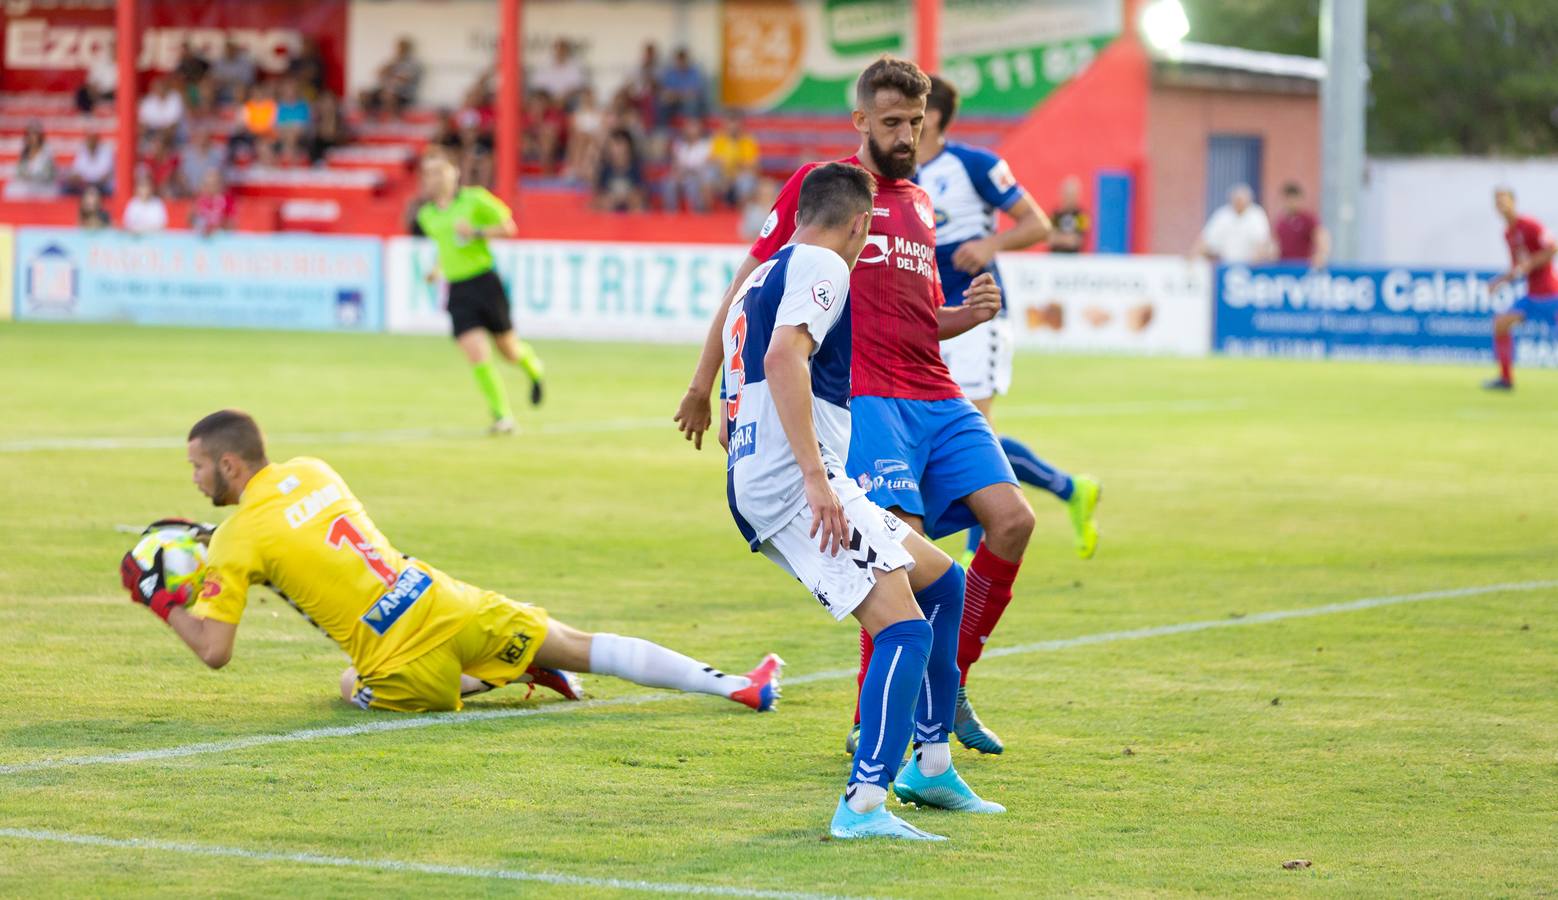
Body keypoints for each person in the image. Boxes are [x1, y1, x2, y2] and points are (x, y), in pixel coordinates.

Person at [676, 57, 1037, 761]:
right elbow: (753, 284)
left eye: (916, 122)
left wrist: (967, 314)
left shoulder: (923, 203)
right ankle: (873, 720)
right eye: (894, 121)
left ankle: (949, 686)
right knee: (896, 552)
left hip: (934, 387)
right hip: (867, 394)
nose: (907, 134)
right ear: (862, 120)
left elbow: (917, 315)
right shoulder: (829, 193)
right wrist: (709, 382)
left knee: (1013, 521)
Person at [120, 410, 782, 717]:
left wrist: (161, 599)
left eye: (199, 466)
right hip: (446, 600)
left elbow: (215, 652)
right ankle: (735, 686)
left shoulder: (240, 539)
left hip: (400, 665)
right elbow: (301, 538)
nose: (196, 476)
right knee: (586, 643)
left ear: (229, 465)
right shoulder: (313, 470)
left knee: (350, 685)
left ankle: (501, 677)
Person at [721, 162, 1002, 840]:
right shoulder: (825, 266)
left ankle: (931, 766)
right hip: (796, 485)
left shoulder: (764, 273)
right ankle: (865, 803)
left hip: (774, 473)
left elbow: (749, 382)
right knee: (903, 627)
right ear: (859, 224)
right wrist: (817, 481)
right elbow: (784, 358)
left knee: (944, 584)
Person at [914, 74, 1102, 750]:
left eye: (911, 113)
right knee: (929, 476)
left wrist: (990, 247)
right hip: (923, 328)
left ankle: (954, 656)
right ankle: (1067, 490)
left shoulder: (972, 166)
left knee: (974, 452)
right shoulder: (894, 176)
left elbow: (1040, 222)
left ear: (931, 115)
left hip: (979, 325)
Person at [414, 154, 545, 432]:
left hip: (485, 283)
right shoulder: (427, 216)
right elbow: (445, 246)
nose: (434, 179)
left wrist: (476, 232)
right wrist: (437, 270)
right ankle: (503, 417)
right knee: (476, 353)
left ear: (455, 173)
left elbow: (509, 228)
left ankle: (533, 366)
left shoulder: (475, 200)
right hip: (458, 291)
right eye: (429, 174)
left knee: (508, 351)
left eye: (439, 172)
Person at [1485, 186, 1557, 391]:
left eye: (1504, 200)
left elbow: (1553, 248)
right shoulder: (1508, 233)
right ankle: (1506, 379)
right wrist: (1498, 282)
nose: (1501, 205)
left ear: (1513, 202)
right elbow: (1517, 268)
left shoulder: (1530, 225)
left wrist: (1531, 263)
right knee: (1500, 324)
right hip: (1532, 297)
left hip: (1552, 294)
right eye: (1497, 202)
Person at [1192, 183, 1272, 264]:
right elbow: (1206, 239)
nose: (1239, 203)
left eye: (1241, 201)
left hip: (1251, 265)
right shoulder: (1222, 215)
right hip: (1226, 265)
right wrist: (1193, 258)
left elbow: (1263, 241)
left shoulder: (1256, 215)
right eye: (1237, 200)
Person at [360, 37, 423, 116]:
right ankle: (369, 118)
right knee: (364, 94)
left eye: (402, 48)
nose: (400, 50)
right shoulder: (394, 61)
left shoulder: (413, 63)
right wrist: (393, 63)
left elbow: (404, 79)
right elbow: (379, 73)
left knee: (388, 95)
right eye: (399, 48)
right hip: (386, 90)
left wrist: (390, 75)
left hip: (403, 94)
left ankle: (393, 120)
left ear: (407, 49)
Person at [1273, 181, 1330, 268]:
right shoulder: (1280, 221)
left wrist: (1321, 254)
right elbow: (1274, 242)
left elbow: (1321, 236)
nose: (1291, 203)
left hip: (1303, 267)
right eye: (1288, 199)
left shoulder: (1308, 218)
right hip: (1284, 267)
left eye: (1294, 199)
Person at [709, 113, 761, 207]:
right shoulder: (719, 139)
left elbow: (753, 164)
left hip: (740, 176)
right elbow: (713, 160)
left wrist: (735, 165)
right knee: (709, 173)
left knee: (746, 179)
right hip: (722, 177)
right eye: (730, 124)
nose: (732, 127)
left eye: (735, 124)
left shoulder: (748, 140)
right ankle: (706, 213)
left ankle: (742, 215)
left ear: (740, 125)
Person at [662, 118, 713, 212]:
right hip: (682, 175)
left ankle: (696, 213)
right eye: (688, 127)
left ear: (700, 129)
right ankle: (670, 213)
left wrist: (688, 171)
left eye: (693, 127)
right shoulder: (679, 146)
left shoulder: (706, 145)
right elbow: (676, 165)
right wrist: (677, 174)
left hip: (699, 177)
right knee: (669, 183)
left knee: (691, 183)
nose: (690, 130)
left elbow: (706, 166)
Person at [593, 129, 647, 212]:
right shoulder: (605, 170)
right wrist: (611, 199)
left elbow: (641, 193)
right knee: (603, 203)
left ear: (628, 146)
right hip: (609, 212)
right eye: (613, 145)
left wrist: (625, 198)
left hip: (630, 211)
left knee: (638, 204)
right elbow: (598, 194)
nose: (616, 149)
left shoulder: (636, 169)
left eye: (619, 144)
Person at [3, 125, 58, 199]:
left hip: (43, 185)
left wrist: (35, 176)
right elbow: (19, 171)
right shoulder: (24, 153)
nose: (32, 138)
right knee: (10, 189)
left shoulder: (47, 152)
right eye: (29, 136)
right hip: (28, 183)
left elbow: (50, 174)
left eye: (34, 135)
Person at [531, 39, 588, 108]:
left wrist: (563, 97)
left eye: (563, 50)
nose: (560, 53)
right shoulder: (544, 65)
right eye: (558, 50)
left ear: (567, 52)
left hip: (568, 101)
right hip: (547, 100)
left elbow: (578, 86)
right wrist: (550, 98)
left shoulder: (575, 66)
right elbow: (538, 85)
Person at [137, 77, 186, 143]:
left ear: (166, 87)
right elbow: (143, 123)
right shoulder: (147, 101)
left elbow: (174, 124)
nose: (159, 90)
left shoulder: (175, 97)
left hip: (173, 134)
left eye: (161, 87)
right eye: (157, 88)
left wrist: (161, 135)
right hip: (152, 133)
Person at [1048, 176, 1089, 253]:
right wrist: (1067, 239)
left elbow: (1077, 241)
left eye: (1072, 194)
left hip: (1074, 261)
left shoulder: (1082, 216)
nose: (1069, 198)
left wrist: (1059, 238)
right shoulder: (1055, 214)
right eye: (1067, 194)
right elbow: (1050, 239)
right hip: (1055, 258)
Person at [190, 170, 235, 236]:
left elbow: (232, 225)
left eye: (213, 184)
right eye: (206, 184)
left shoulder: (227, 200)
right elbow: (190, 222)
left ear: (219, 185)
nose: (209, 187)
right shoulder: (198, 199)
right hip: (202, 237)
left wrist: (217, 226)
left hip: (220, 238)